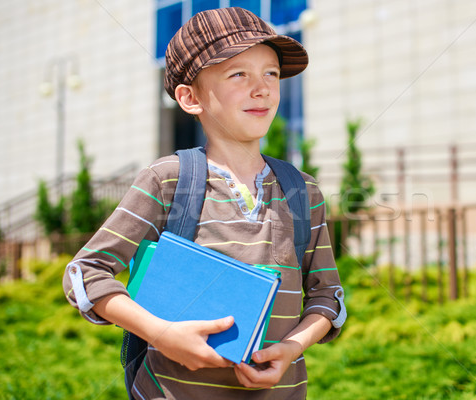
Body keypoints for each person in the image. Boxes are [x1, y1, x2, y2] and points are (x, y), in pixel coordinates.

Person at [63, 7, 345, 399]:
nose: (262, 88)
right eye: (238, 74)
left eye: (271, 73)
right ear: (190, 98)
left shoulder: (303, 190)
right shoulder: (168, 179)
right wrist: (162, 333)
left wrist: (293, 347)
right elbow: (85, 273)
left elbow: (328, 296)